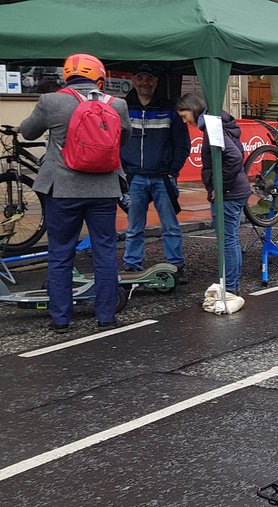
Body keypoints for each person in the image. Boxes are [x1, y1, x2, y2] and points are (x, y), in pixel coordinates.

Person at [19, 54, 130, 333]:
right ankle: (106, 316)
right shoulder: (117, 104)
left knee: (60, 253)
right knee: (104, 251)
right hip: (104, 188)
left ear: (67, 75)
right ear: (99, 76)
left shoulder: (51, 101)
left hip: (62, 190)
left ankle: (60, 319)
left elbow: (28, 132)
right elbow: (123, 140)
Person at [175, 94, 251, 295]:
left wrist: (220, 186)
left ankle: (231, 288)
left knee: (227, 240)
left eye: (185, 115)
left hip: (230, 192)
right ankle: (231, 285)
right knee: (230, 239)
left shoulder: (212, 126)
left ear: (193, 108)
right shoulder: (216, 121)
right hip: (236, 190)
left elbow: (234, 158)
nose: (185, 121)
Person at [120, 64, 190, 283]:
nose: (145, 83)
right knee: (133, 228)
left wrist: (172, 170)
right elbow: (113, 141)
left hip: (162, 177)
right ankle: (132, 267)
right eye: (140, 78)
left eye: (149, 78)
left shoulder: (169, 108)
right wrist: (122, 170)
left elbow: (182, 143)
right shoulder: (121, 107)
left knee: (170, 226)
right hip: (134, 177)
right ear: (133, 80)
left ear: (156, 82)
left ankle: (176, 266)